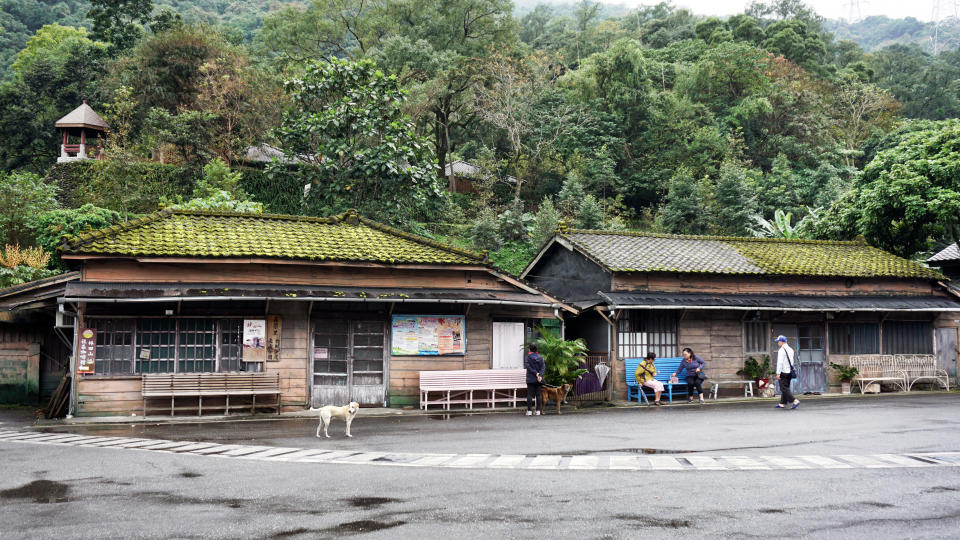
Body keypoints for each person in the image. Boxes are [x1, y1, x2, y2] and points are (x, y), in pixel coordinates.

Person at [775, 335, 800, 409]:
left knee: (783, 388)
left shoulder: (781, 350)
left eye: (778, 341)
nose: (778, 343)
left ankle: (795, 401)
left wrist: (778, 373)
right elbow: (791, 362)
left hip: (783, 372)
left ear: (781, 342)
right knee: (785, 387)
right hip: (789, 371)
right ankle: (782, 403)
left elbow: (780, 363)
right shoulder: (791, 349)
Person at [524, 343, 545, 416]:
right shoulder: (540, 357)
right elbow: (543, 367)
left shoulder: (528, 357)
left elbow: (528, 366)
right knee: (538, 394)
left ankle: (529, 411)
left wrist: (535, 373)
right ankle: (538, 411)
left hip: (530, 378)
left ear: (530, 349)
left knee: (530, 394)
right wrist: (540, 375)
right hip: (539, 379)